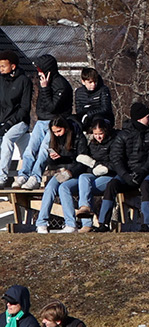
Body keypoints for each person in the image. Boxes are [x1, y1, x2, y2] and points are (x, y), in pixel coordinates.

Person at [18, 55, 73, 188]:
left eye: (40, 69)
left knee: (44, 149)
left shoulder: (61, 85)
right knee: (30, 149)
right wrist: (43, 88)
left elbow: (52, 107)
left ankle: (35, 178)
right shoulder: (43, 82)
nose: (38, 72)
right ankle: (23, 175)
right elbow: (41, 105)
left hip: (55, 122)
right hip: (41, 121)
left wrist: (45, 88)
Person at [32, 116, 84, 234]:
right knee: (49, 188)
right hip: (61, 172)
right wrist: (53, 159)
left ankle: (71, 224)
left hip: (75, 173)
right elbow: (52, 164)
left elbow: (82, 161)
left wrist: (70, 171)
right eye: (54, 132)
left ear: (65, 128)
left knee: (63, 188)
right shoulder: (54, 139)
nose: (57, 134)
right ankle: (41, 223)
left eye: (59, 131)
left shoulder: (78, 137)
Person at [79, 115, 130, 232]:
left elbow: (116, 162)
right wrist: (93, 165)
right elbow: (89, 164)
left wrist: (105, 167)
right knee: (83, 177)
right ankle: (84, 208)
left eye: (100, 134)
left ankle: (94, 221)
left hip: (109, 175)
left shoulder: (113, 142)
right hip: (96, 173)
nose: (98, 137)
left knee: (88, 188)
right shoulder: (92, 144)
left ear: (105, 131)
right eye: (95, 134)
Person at [120, 101, 149, 232]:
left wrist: (142, 171)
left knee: (146, 184)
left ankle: (147, 222)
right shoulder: (124, 134)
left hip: (147, 172)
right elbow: (117, 157)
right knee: (112, 185)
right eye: (147, 116)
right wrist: (126, 174)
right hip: (128, 173)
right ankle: (103, 223)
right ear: (139, 118)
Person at [0, 53, 31, 186]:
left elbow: (24, 108)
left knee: (7, 139)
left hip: (19, 122)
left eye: (3, 66)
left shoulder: (24, 81)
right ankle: (26, 175)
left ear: (12, 66)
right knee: (26, 149)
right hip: (3, 120)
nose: (0, 68)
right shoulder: (1, 80)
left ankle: (2, 177)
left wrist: (10, 123)